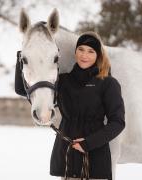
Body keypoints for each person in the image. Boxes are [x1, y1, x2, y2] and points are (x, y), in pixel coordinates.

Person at [15, 31, 125, 180]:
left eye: (90, 51)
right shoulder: (64, 81)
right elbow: (22, 90)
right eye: (81, 49)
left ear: (98, 55)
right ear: (75, 51)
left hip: (94, 160)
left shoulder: (108, 83)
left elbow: (117, 123)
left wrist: (88, 143)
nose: (84, 55)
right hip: (68, 158)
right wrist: (22, 56)